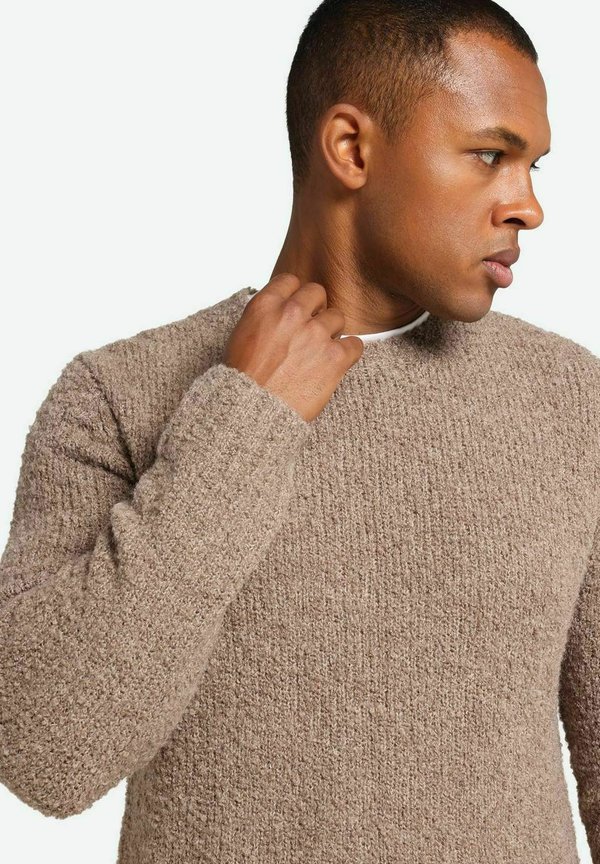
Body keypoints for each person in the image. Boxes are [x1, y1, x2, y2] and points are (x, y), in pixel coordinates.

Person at [0, 1, 598, 862]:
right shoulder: (117, 396)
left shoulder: (571, 398)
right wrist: (245, 420)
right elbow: (47, 755)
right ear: (351, 148)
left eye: (532, 166)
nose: (528, 206)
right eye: (489, 156)